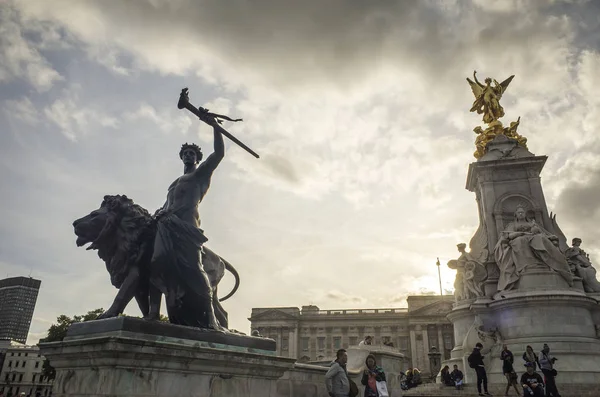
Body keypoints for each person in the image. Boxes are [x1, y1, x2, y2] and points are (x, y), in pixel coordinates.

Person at [147, 118, 227, 328]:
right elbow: (167, 204)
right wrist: (159, 213)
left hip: (187, 227)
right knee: (154, 264)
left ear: (198, 159)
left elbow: (218, 154)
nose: (188, 156)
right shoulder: (174, 183)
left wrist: (215, 127)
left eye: (192, 154)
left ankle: (211, 317)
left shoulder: (200, 175)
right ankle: (152, 313)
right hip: (166, 225)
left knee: (193, 267)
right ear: (181, 157)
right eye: (185, 153)